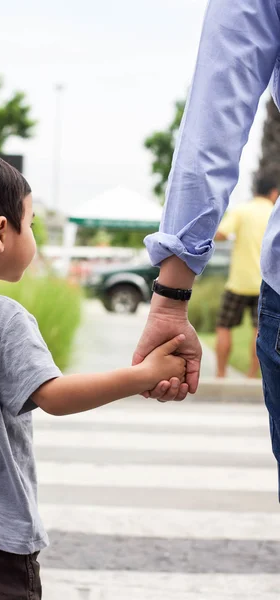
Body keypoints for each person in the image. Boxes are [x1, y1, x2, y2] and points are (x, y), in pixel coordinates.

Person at [0, 146, 186, 600]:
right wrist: (142, 374)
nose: (35, 237)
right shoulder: (4, 317)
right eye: (32, 223)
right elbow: (54, 396)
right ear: (1, 233)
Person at [133, 0, 280, 489]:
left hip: (258, 282)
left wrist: (172, 298)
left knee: (232, 327)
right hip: (263, 291)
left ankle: (223, 368)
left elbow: (216, 119)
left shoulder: (246, 211)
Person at [215, 176, 278, 378]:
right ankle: (252, 375)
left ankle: (221, 372)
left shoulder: (242, 210)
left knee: (223, 326)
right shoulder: (273, 213)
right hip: (266, 282)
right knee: (258, 330)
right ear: (273, 193)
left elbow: (221, 234)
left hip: (238, 283)